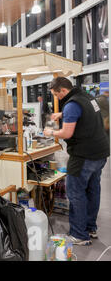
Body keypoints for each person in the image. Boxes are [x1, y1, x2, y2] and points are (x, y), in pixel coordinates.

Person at [44, 77, 110, 245]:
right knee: (92, 190)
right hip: (100, 152)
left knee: (75, 192)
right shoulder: (87, 97)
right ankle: (90, 228)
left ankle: (79, 235)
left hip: (83, 155)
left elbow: (66, 134)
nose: (57, 99)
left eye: (56, 95)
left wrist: (50, 132)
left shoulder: (72, 104)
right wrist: (62, 114)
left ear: (63, 91)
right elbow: (84, 113)